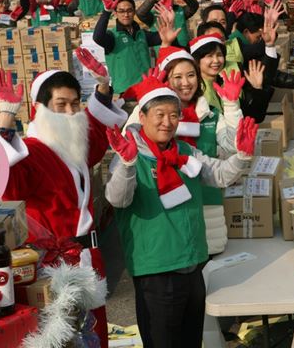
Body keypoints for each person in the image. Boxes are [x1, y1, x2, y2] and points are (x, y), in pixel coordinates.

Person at [104, 72, 258, 347]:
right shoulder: (129, 154)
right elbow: (118, 199)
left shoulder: (184, 152)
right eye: (159, 115)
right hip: (157, 270)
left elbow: (219, 175)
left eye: (174, 115)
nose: (167, 122)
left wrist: (242, 157)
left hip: (192, 263)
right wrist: (127, 165)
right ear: (143, 116)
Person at [0, 48, 128, 348]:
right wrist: (6, 116)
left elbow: (96, 131)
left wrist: (103, 83)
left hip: (90, 260)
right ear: (41, 108)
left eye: (75, 104)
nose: (70, 113)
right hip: (54, 267)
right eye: (60, 105)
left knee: (95, 335)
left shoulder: (75, 147)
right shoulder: (32, 151)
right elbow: (6, 185)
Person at [123, 47, 248, 255]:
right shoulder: (155, 120)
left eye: (191, 75)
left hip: (206, 206)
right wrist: (146, 100)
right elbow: (130, 140)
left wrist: (232, 105)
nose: (185, 83)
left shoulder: (210, 114)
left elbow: (232, 146)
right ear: (166, 80)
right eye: (177, 77)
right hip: (161, 212)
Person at [93, 0, 178, 97]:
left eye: (129, 10)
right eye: (121, 11)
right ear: (115, 13)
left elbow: (165, 39)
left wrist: (169, 23)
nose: (126, 14)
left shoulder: (141, 34)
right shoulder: (112, 36)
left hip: (146, 90)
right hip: (126, 93)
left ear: (134, 12)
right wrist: (106, 12)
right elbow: (97, 37)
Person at [136, 0, 200, 49]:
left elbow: (194, 6)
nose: (164, 0)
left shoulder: (180, 10)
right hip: (163, 53)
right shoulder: (153, 15)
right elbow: (140, 13)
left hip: (183, 51)